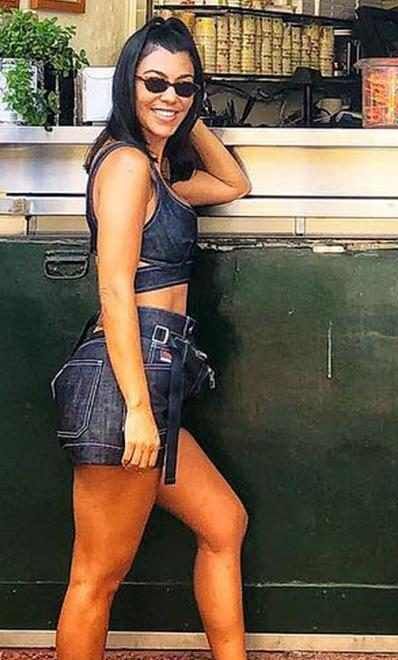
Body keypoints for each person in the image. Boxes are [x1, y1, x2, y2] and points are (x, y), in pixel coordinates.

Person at [50, 17, 251, 660]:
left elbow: (233, 184)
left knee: (223, 523)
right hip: (126, 378)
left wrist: (183, 117)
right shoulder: (129, 163)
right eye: (155, 83)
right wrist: (138, 410)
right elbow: (113, 289)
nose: (170, 96)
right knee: (96, 578)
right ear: (126, 85)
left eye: (186, 86)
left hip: (157, 374)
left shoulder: (158, 170)